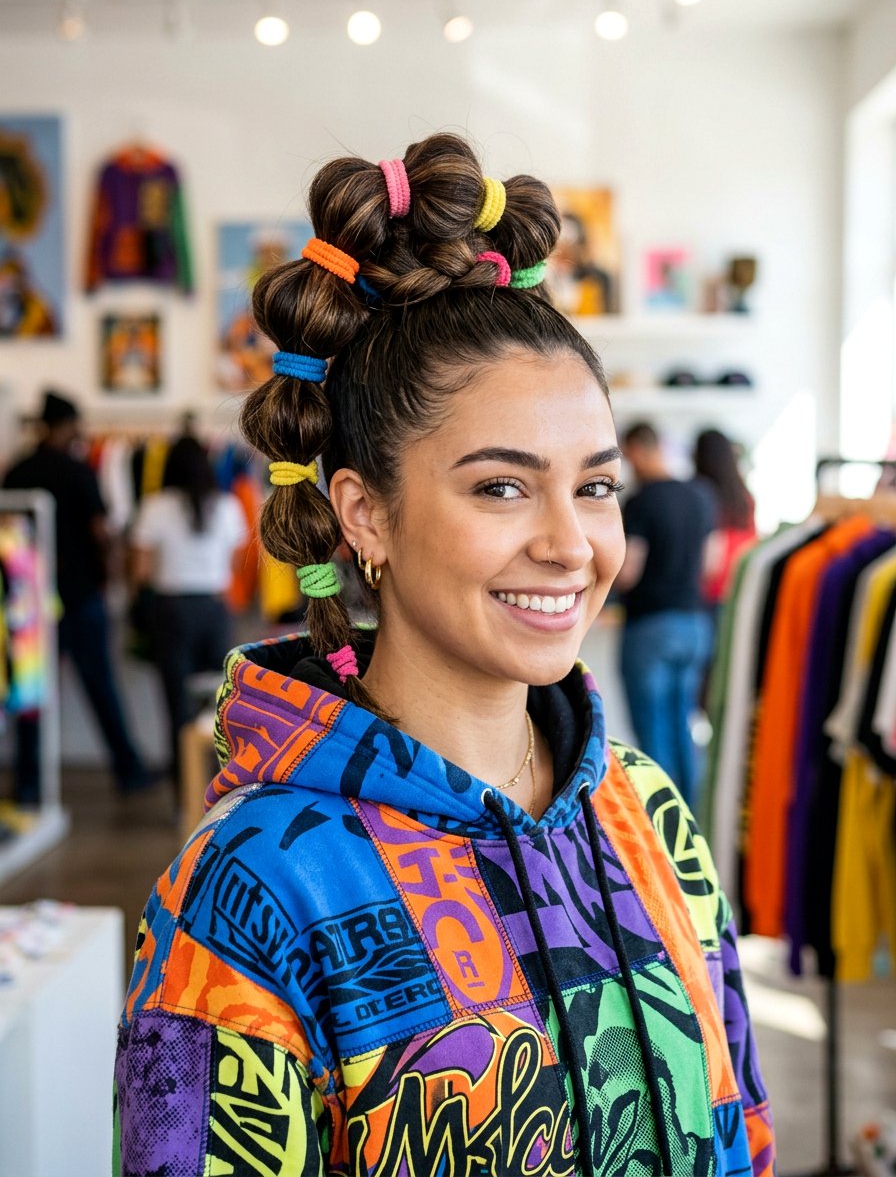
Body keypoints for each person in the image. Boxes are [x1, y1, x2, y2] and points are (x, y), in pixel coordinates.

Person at [114, 136, 774, 1177]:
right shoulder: (250, 889)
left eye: (594, 486)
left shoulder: (645, 810)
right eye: (501, 487)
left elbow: (741, 1123)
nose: (570, 542)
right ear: (363, 513)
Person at [3, 391, 150, 796]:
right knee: (101, 685)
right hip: (81, 596)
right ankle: (129, 770)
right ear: (63, 427)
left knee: (32, 693)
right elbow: (101, 532)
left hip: (30, 600)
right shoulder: (77, 470)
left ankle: (29, 785)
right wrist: (113, 577)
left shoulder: (17, 471)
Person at [129, 434, 247, 786]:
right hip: (214, 609)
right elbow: (238, 564)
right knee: (223, 705)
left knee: (178, 708)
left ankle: (184, 797)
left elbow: (141, 571)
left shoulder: (155, 506)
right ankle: (223, 789)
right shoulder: (226, 506)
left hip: (172, 612)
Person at [615, 421, 716, 808]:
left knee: (654, 735)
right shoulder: (700, 495)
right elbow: (711, 563)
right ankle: (689, 818)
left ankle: (659, 824)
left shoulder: (642, 501)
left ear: (638, 449)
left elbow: (628, 572)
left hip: (651, 627)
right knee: (684, 727)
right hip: (694, 624)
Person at [694, 428, 757, 612]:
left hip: (709, 589)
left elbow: (712, 551)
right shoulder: (745, 497)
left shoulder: (702, 495)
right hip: (739, 583)